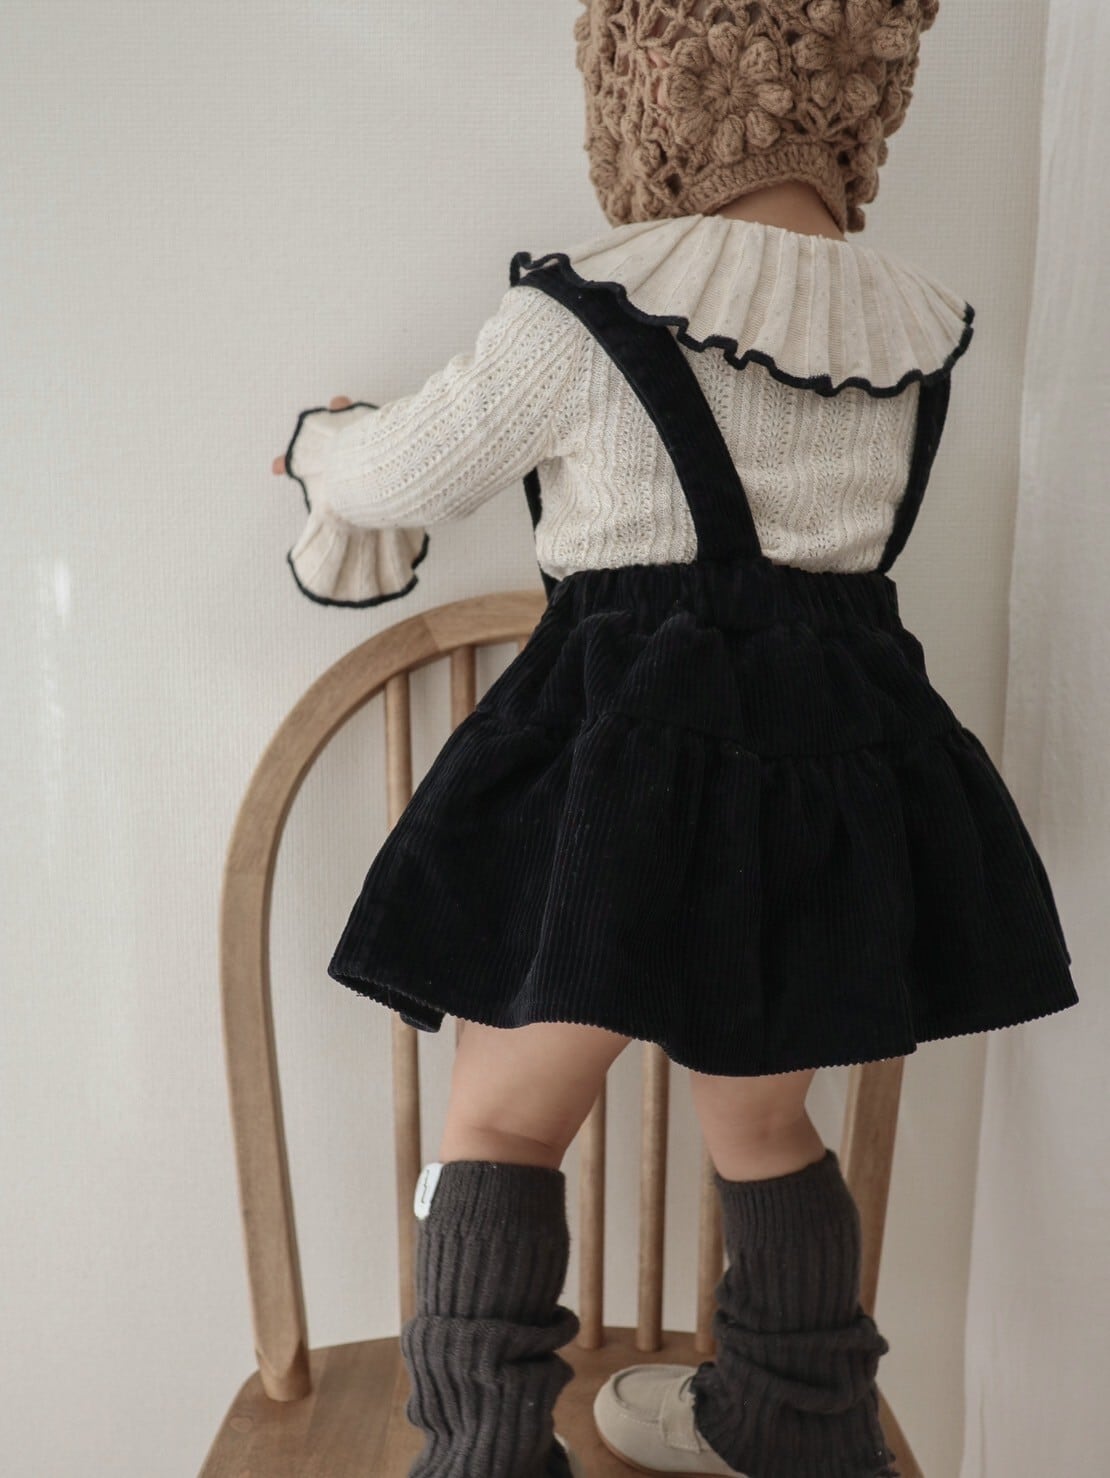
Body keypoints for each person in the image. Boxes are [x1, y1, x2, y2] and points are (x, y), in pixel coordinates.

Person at [271, 2, 1079, 1474]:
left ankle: (488, 1451)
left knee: (504, 1123)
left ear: (644, 85)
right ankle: (797, 1419)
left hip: (617, 782)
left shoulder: (589, 307)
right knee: (765, 1127)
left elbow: (405, 470)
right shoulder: (910, 331)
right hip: (826, 784)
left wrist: (322, 445)